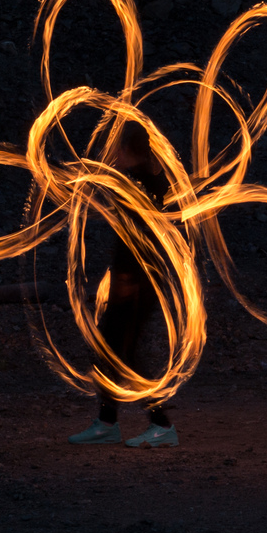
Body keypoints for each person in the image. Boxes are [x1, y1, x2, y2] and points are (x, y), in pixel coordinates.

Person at [68, 121, 178, 447]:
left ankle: (161, 425)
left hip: (137, 282)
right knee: (110, 350)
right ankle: (107, 422)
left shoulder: (142, 183)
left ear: (128, 150)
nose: (111, 154)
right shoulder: (145, 179)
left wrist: (129, 280)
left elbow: (146, 239)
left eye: (116, 148)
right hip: (130, 279)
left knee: (124, 353)